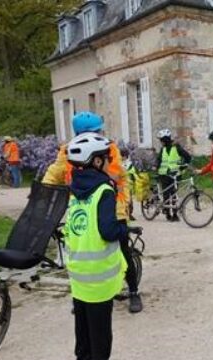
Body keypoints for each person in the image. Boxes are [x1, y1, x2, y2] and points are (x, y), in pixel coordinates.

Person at [43, 111, 142, 313]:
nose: (101, 134)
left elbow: (119, 175)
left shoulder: (107, 149)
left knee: (121, 252)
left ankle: (133, 291)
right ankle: (82, 295)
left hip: (112, 206)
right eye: (98, 130)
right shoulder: (67, 151)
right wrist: (42, 193)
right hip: (82, 207)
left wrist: (97, 166)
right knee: (80, 255)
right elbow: (55, 173)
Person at [64, 132, 128, 360]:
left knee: (83, 337)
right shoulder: (104, 190)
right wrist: (125, 229)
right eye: (106, 158)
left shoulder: (75, 192)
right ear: (97, 161)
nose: (109, 162)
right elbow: (108, 231)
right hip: (99, 279)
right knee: (101, 340)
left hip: (79, 276)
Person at [154, 129, 192, 222]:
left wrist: (183, 166)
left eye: (161, 140)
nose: (161, 142)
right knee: (166, 194)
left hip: (175, 175)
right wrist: (155, 167)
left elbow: (187, 157)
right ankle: (168, 213)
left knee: (174, 194)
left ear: (166, 140)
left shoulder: (177, 148)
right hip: (164, 175)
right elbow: (159, 160)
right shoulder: (163, 149)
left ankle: (175, 214)